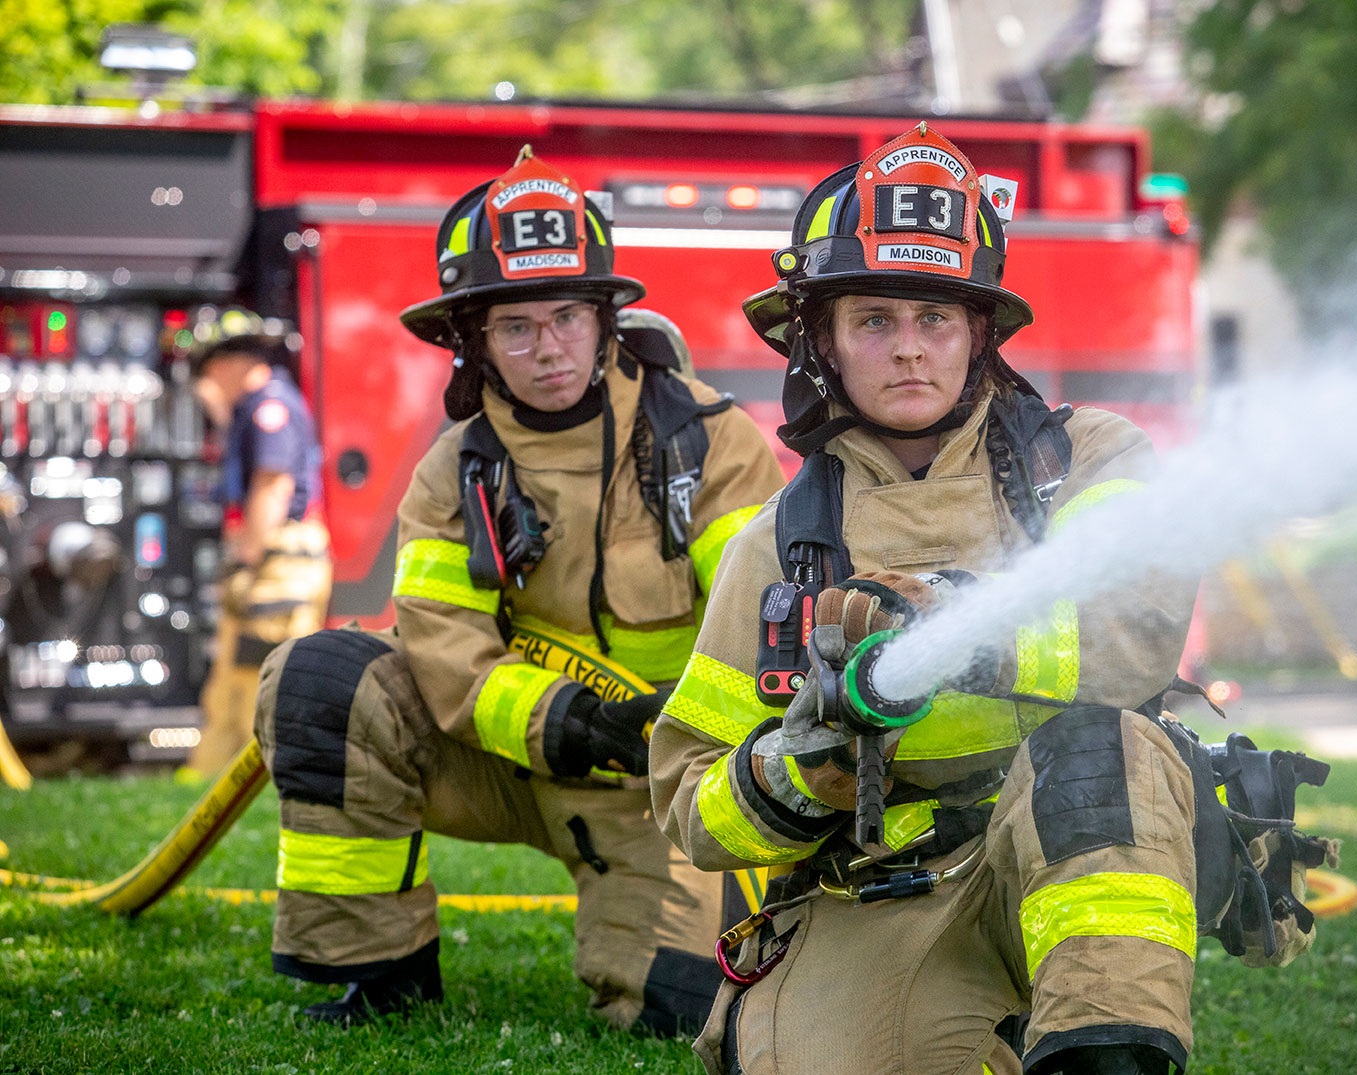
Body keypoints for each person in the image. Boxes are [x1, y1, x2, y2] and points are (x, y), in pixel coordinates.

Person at [651, 125, 1215, 1075]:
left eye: (936, 319)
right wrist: (804, 758)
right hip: (879, 889)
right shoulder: (776, 549)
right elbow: (690, 808)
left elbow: (1140, 630)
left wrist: (962, 625)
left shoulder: (1087, 462)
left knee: (1097, 747)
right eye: (873, 320)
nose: (908, 350)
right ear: (820, 340)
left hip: (1060, 838)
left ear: (979, 333)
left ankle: (1105, 1048)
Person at [251, 148, 786, 1030]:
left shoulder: (707, 443)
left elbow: (763, 623)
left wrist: (681, 728)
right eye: (517, 327)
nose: (549, 350)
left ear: (606, 319)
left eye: (568, 316)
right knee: (326, 682)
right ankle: (379, 970)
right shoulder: (451, 473)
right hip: (512, 763)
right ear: (474, 341)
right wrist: (571, 719)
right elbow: (446, 657)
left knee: (675, 1010)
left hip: (668, 784)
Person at [182, 332, 330, 779]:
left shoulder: (271, 407)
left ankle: (265, 779)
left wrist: (247, 558)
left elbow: (272, 485)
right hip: (269, 554)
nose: (207, 384)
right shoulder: (255, 407)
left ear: (231, 365)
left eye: (209, 374)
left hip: (278, 559)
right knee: (233, 673)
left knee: (262, 673)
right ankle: (212, 775)